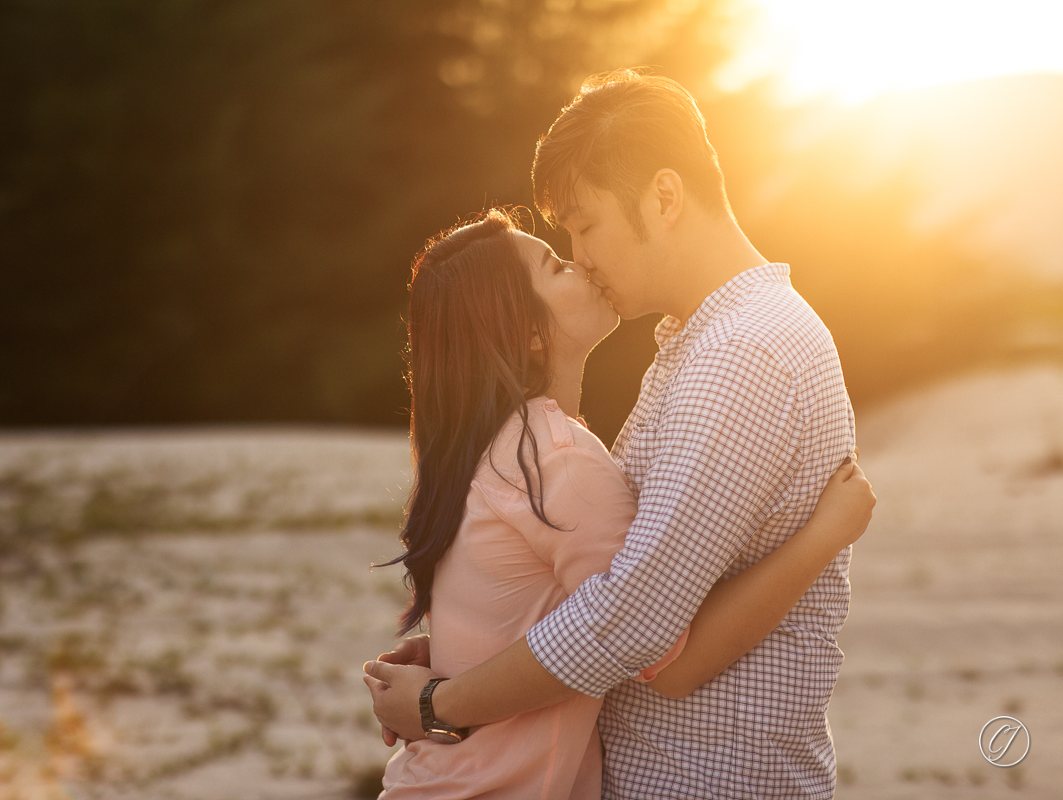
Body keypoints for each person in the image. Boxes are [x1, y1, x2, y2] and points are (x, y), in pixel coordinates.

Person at [365, 70, 863, 799]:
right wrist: (477, 648)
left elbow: (636, 623)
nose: (582, 255)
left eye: (584, 224)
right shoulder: (699, 344)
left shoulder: (742, 355)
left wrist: (444, 703)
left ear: (663, 197)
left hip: (708, 781)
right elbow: (612, 593)